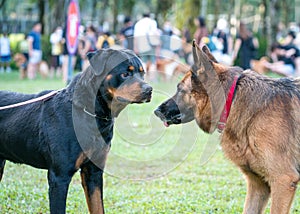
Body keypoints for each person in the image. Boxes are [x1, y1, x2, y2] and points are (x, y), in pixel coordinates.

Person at [134, 13, 159, 81]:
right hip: (151, 43)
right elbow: (155, 34)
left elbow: (135, 37)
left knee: (143, 61)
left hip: (142, 43)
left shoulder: (138, 24)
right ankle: (152, 78)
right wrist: (158, 44)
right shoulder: (152, 22)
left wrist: (135, 47)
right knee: (153, 61)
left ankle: (144, 78)